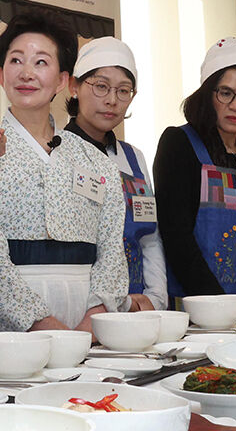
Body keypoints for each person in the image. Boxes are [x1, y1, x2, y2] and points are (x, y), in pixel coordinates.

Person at [0, 12, 130, 332]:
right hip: (13, 325)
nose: (26, 73)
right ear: (0, 74)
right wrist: (38, 322)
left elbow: (111, 252)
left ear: (63, 81)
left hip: (89, 322)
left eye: (41, 62)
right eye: (15, 61)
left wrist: (93, 321)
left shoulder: (97, 163)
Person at [155, 38, 236, 297]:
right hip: (197, 303)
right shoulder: (179, 143)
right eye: (225, 93)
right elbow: (175, 233)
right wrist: (216, 302)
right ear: (207, 94)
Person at [64, 37, 167, 311]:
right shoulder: (57, 153)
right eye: (100, 86)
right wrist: (110, 305)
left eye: (123, 91)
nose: (111, 100)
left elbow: (150, 238)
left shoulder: (134, 159)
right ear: (74, 86)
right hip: (83, 309)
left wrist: (155, 299)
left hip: (137, 306)